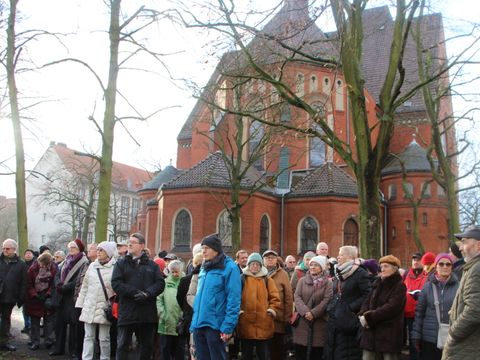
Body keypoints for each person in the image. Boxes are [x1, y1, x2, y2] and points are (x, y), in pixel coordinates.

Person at [111, 232, 165, 360]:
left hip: (146, 313)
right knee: (123, 345)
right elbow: (116, 283)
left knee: (146, 346)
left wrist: (147, 294)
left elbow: (160, 283)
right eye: (129, 242)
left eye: (133, 242)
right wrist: (134, 292)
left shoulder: (152, 265)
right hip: (127, 312)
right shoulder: (121, 263)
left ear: (142, 245)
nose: (129, 244)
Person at [190, 233, 241, 360]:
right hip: (199, 325)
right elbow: (199, 297)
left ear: (216, 250)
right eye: (202, 248)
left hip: (216, 326)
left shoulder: (230, 267)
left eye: (207, 248)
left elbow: (233, 299)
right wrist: (193, 323)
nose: (203, 251)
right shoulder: (204, 266)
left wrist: (228, 326)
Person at [324, 245, 371, 360]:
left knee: (346, 353)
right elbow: (336, 293)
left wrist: (350, 307)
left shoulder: (360, 273)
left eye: (341, 254)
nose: (338, 257)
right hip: (335, 318)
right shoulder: (339, 272)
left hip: (349, 321)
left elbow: (368, 295)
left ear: (349, 256)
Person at [442, 225, 480, 360]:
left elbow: (475, 309)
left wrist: (454, 332)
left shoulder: (477, 269)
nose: (460, 248)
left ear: (478, 246)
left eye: (464, 242)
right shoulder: (472, 267)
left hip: (468, 345)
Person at [411, 253, 459, 360]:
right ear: (436, 266)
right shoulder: (427, 287)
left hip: (451, 337)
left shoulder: (459, 286)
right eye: (441, 264)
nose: (445, 267)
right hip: (429, 338)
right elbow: (419, 313)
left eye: (448, 264)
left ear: (452, 267)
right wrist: (416, 335)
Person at [359, 255, 407, 360]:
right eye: (381, 266)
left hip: (389, 334)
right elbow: (367, 301)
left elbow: (391, 308)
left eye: (386, 266)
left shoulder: (399, 286)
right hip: (371, 333)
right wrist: (362, 314)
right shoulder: (377, 283)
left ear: (394, 269)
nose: (382, 269)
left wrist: (369, 318)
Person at [75, 241, 117, 360]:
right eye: (97, 250)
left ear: (108, 253)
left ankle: (104, 358)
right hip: (90, 305)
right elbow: (85, 286)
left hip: (104, 308)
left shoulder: (115, 267)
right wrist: (80, 304)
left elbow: (116, 289)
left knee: (104, 338)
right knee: (88, 336)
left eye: (101, 250)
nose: (98, 252)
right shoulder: (92, 266)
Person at [49, 239, 89, 358]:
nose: (71, 249)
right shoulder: (66, 260)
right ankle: (58, 348)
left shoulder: (84, 262)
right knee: (59, 324)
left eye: (74, 247)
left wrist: (65, 287)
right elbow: (57, 274)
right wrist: (58, 284)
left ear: (80, 249)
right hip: (61, 297)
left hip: (72, 297)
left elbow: (79, 280)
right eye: (70, 247)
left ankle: (74, 351)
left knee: (74, 326)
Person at [237, 253, 280, 360]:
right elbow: (234, 297)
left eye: (257, 264)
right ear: (248, 265)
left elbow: (275, 297)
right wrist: (239, 312)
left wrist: (271, 310)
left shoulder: (267, 279)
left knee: (264, 355)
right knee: (246, 354)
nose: (255, 266)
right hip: (246, 323)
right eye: (253, 264)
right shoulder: (242, 279)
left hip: (264, 323)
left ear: (261, 266)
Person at [293, 255, 333, 359]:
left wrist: (313, 313)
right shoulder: (302, 281)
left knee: (316, 353)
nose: (312, 267)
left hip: (319, 323)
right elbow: (297, 297)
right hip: (303, 322)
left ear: (322, 268)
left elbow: (327, 300)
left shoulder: (328, 283)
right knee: (300, 352)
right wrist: (306, 312)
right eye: (311, 265)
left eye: (316, 265)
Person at [262, 249, 293, 360]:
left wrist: (287, 317)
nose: (270, 260)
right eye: (267, 258)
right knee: (264, 350)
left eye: (272, 258)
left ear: (276, 260)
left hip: (278, 319)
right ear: (263, 260)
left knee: (278, 349)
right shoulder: (259, 273)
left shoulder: (283, 274)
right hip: (262, 318)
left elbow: (289, 297)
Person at [25, 251, 57, 350]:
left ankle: (48, 341)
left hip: (47, 298)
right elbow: (28, 284)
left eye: (44, 264)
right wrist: (35, 294)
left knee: (48, 322)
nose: (42, 266)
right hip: (34, 299)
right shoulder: (33, 269)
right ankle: (35, 342)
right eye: (41, 263)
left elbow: (54, 284)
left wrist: (47, 294)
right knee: (35, 322)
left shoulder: (53, 269)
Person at [0, 239, 27, 351]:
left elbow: (23, 283)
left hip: (9, 297)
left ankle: (3, 343)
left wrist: (20, 298)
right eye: (3, 248)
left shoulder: (21, 264)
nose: (4, 250)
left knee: (6, 321)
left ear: (14, 249)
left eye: (7, 248)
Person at [157, 259, 186, 360]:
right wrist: (162, 314)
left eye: (176, 272)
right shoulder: (164, 283)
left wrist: (185, 316)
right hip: (166, 322)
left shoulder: (185, 282)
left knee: (180, 350)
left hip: (181, 322)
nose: (174, 274)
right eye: (172, 272)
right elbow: (159, 299)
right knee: (165, 349)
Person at [403, 252, 428, 360]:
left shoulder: (427, 275)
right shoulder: (406, 274)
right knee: (410, 340)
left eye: (418, 260)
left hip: (420, 313)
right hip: (406, 313)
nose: (415, 262)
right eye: (414, 260)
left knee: (418, 340)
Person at [21, 248, 36, 334]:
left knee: (32, 310)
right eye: (26, 253)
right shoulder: (22, 265)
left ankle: (31, 326)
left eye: (29, 253)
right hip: (24, 291)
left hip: (33, 291)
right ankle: (27, 325)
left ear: (32, 255)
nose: (28, 255)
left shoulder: (36, 264)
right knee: (25, 309)